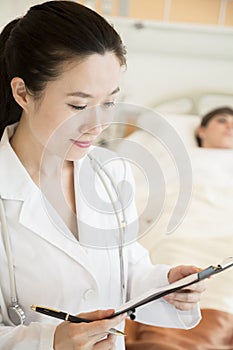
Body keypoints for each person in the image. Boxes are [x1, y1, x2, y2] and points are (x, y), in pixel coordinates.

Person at [0, 2, 205, 349]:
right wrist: (51, 341)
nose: (98, 125)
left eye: (109, 102)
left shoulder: (112, 172)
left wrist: (165, 284)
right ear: (22, 92)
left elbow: (127, 270)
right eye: (79, 105)